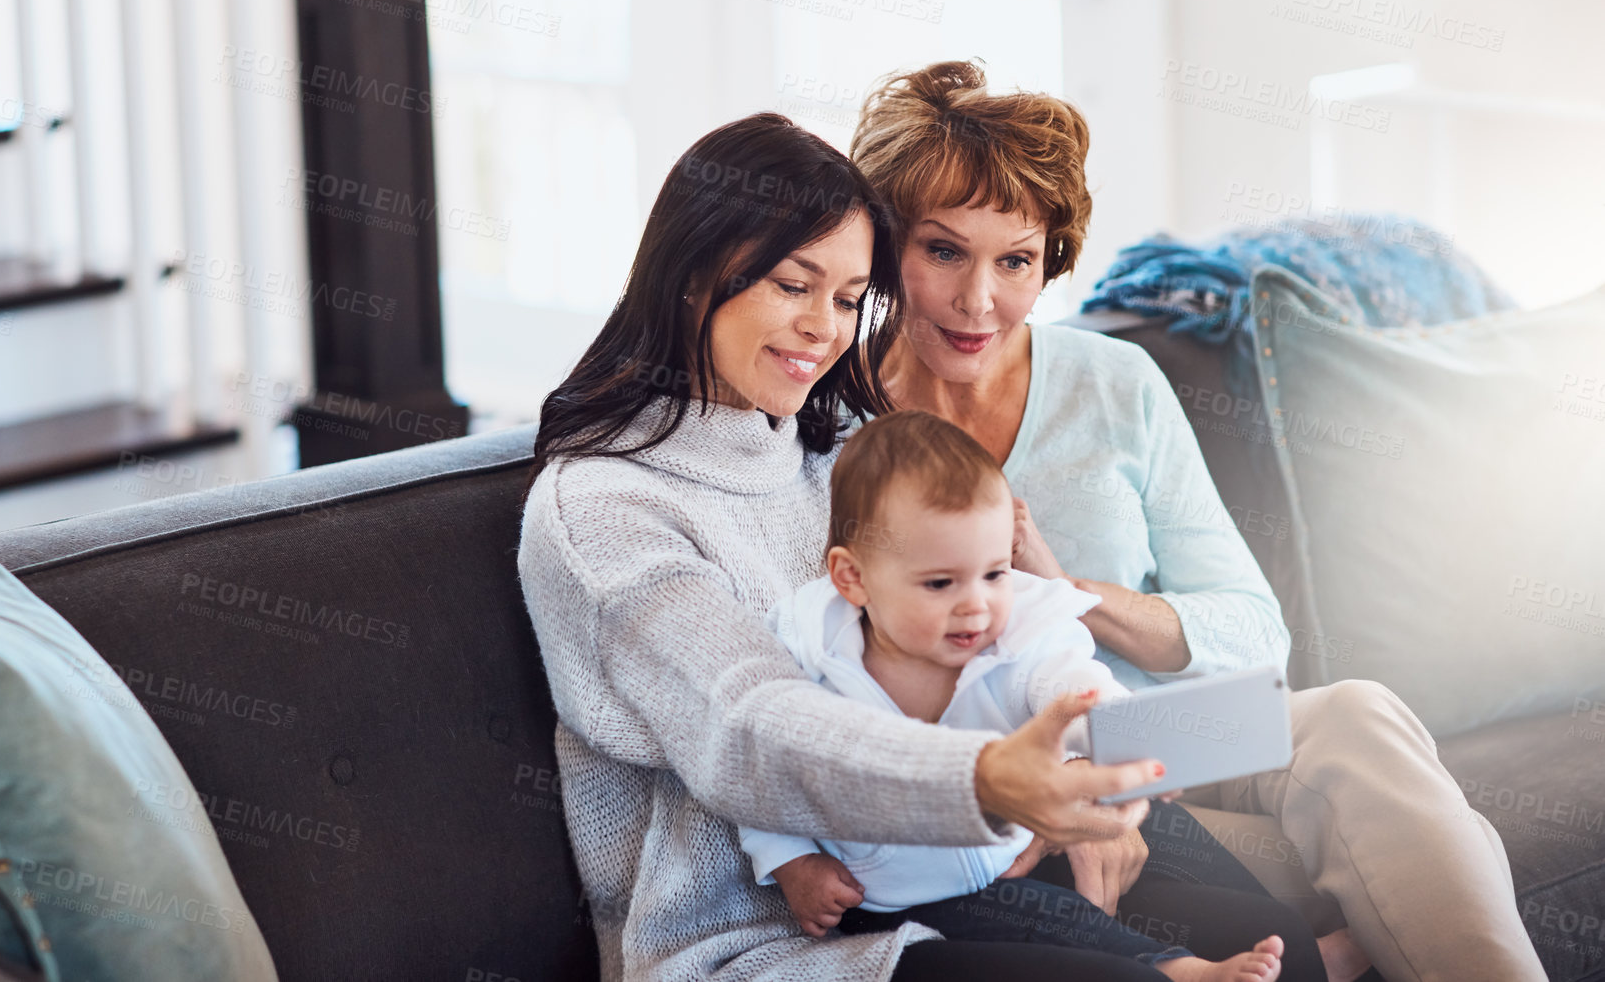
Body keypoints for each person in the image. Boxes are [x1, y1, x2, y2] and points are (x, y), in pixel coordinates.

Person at [520, 112, 1266, 981]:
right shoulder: (603, 511)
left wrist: (1086, 759)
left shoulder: (834, 443)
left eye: (845, 299)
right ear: (695, 273)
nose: (824, 329)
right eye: (793, 286)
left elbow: (1004, 628)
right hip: (773, 935)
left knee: (1281, 930)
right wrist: (985, 782)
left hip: (956, 848)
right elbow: (754, 725)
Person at [847, 59, 1546, 982]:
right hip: (998, 758)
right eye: (944, 251)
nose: (982, 301)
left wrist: (1073, 596)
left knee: (1357, 713)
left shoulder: (1115, 384)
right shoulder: (834, 423)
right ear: (886, 243)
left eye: (1015, 260)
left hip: (1160, 730)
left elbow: (1257, 633)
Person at [736, 408, 1313, 982]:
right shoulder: (807, 653)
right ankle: (1181, 970)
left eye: (993, 574)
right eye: (940, 583)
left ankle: (1302, 939)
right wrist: (790, 862)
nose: (976, 605)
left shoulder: (1013, 635)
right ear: (852, 578)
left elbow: (1069, 685)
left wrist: (1131, 731)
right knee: (1050, 917)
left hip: (1007, 854)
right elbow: (761, 771)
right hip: (892, 898)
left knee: (1168, 846)